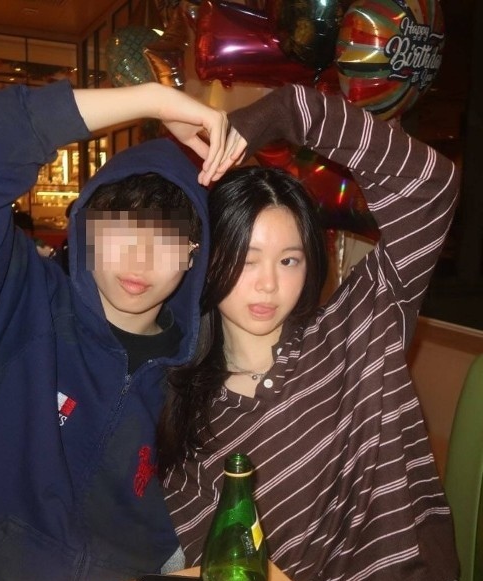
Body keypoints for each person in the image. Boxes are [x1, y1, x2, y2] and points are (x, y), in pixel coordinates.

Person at [0, 79, 238, 581]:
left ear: (193, 254)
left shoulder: (194, 378)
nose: (140, 256)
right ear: (84, 229)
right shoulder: (9, 305)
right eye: (119, 226)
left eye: (166, 236)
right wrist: (150, 99)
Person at [160, 83, 460, 581]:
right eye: (246, 258)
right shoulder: (187, 403)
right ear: (207, 261)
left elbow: (430, 186)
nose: (269, 284)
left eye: (289, 260)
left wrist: (282, 112)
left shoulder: (358, 326)